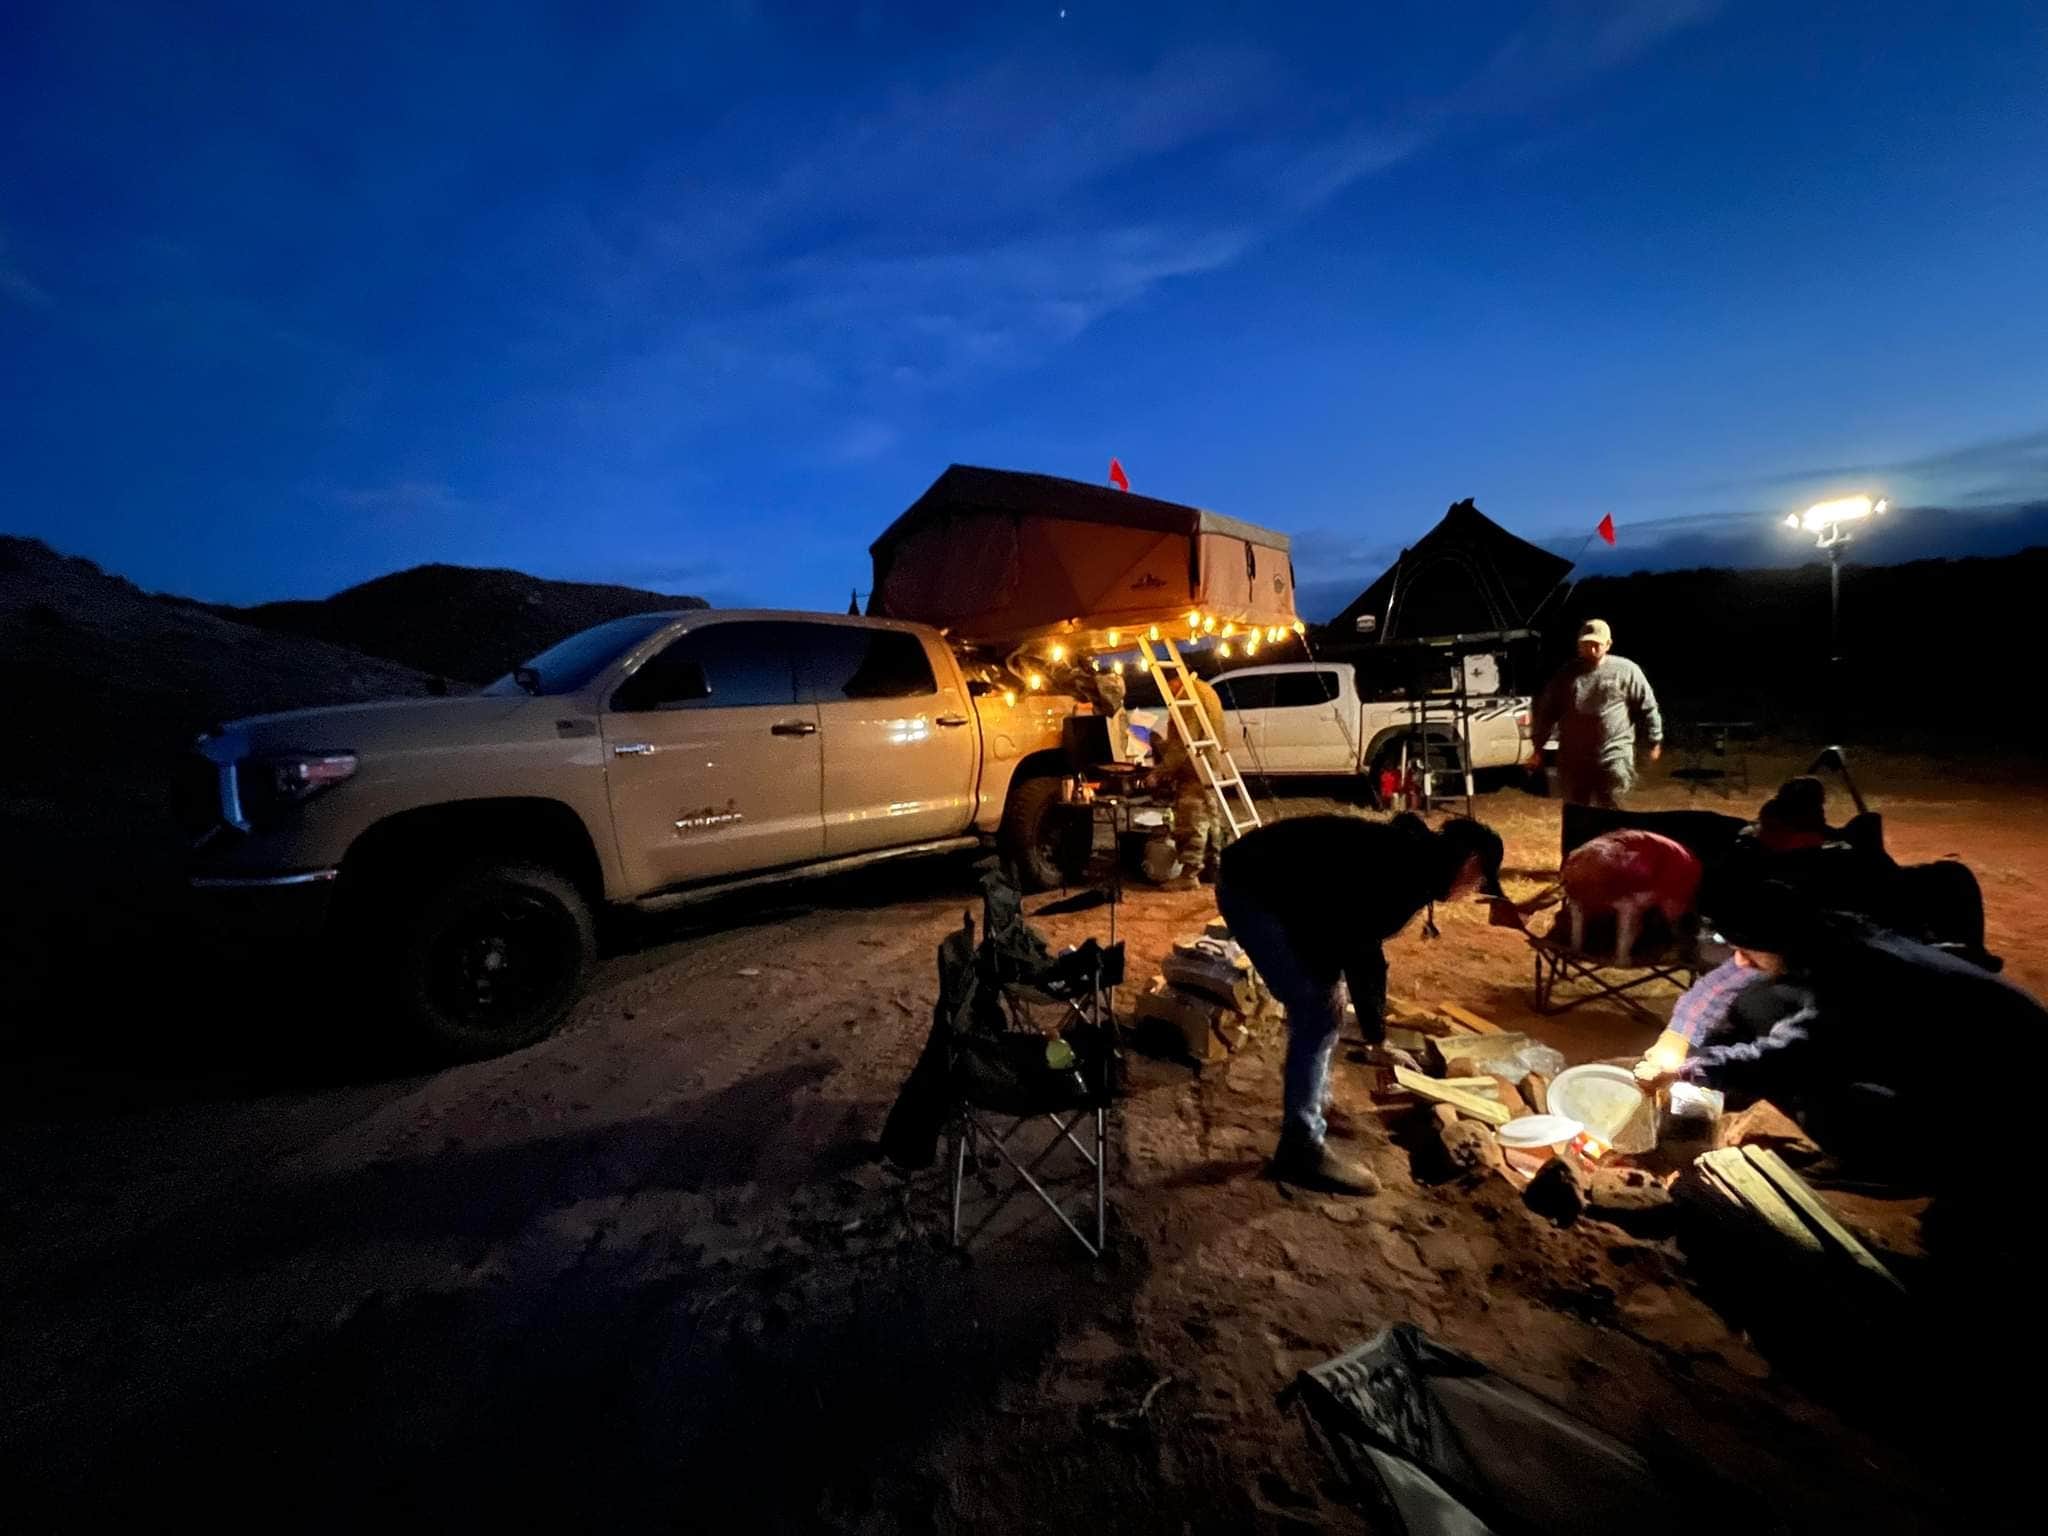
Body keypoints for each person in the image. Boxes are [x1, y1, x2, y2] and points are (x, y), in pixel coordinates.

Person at [1216, 812, 1506, 1194]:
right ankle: (1301, 1147)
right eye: (1479, 882)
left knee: (1327, 1000)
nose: (1472, 891)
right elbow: (1360, 949)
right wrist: (1376, 1037)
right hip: (1252, 891)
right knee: (1318, 1011)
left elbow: (1355, 933)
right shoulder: (1406, 874)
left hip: (1287, 891)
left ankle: (1314, 1106)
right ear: (1471, 865)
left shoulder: (1415, 857)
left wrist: (1373, 1030)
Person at [1526, 619, 1662, 808]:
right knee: (1577, 813)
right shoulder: (1566, 675)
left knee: (1613, 811)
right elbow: (1547, 712)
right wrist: (1538, 747)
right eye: (1585, 644)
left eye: (1596, 644)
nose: (1591, 649)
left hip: (1614, 756)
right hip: (1574, 760)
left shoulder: (1627, 671)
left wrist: (1654, 739)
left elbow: (1648, 706)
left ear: (1608, 644)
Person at [1154, 669, 1229, 890]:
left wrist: (1160, 771)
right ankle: (1212, 868)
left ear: (1174, 682)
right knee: (1211, 819)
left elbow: (1184, 742)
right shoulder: (1207, 689)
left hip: (1195, 768)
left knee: (1192, 821)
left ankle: (1189, 874)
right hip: (1212, 764)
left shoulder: (1187, 695)